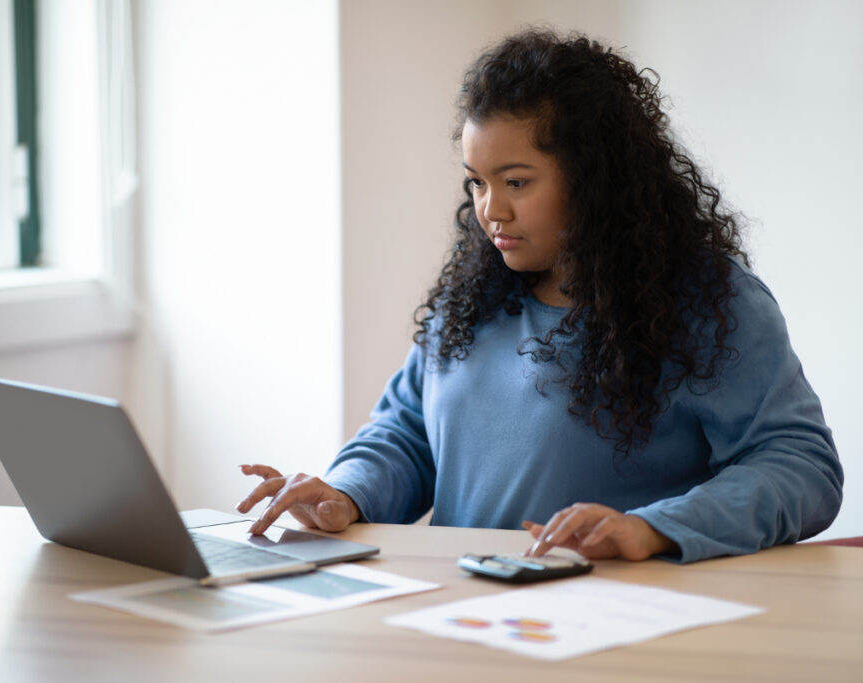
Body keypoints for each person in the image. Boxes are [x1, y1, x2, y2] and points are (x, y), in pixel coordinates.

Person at [236, 29, 843, 563]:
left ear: (595, 177)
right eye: (477, 183)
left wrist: (654, 529)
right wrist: (344, 494)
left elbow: (799, 467)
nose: (490, 211)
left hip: (615, 623)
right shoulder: (473, 296)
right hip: (461, 616)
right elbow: (407, 434)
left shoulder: (709, 302)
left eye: (517, 182)